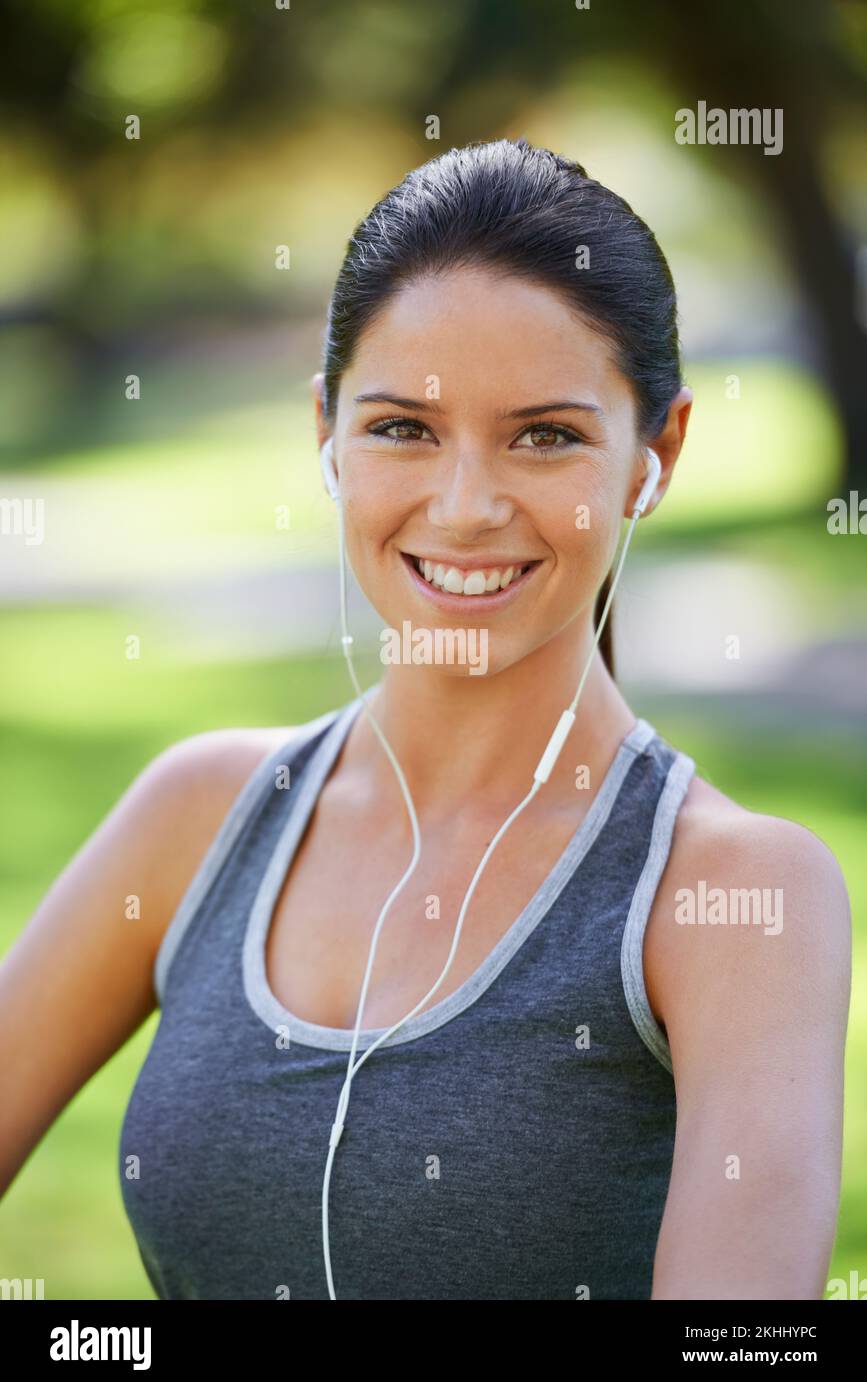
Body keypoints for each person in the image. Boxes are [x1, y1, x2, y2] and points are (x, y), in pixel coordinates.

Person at [0, 138, 850, 1301]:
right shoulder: (196, 815)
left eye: (546, 434)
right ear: (325, 435)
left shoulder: (734, 895)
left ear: (656, 455)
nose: (466, 508)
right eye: (403, 427)